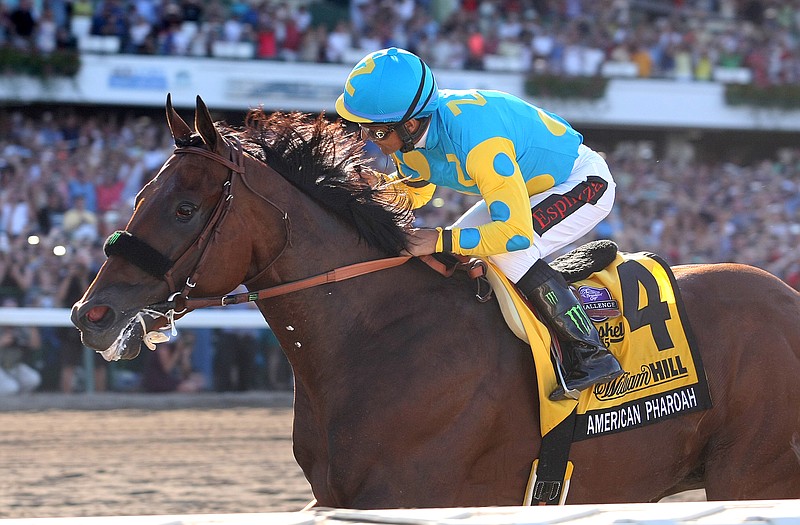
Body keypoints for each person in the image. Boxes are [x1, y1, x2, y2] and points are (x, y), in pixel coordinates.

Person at [335, 47, 623, 400]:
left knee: (507, 254)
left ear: (409, 125)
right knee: (455, 254)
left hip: (580, 182)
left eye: (375, 132)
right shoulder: (409, 142)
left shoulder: (478, 140)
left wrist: (438, 238)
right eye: (362, 128)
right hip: (529, 191)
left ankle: (591, 352)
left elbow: (515, 234)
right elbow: (413, 196)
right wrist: (367, 196)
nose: (366, 139)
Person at [141, 334, 205, 393]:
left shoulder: (175, 349)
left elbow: (186, 372)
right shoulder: (163, 349)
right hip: (157, 380)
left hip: (169, 379)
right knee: (189, 387)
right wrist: (177, 351)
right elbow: (167, 369)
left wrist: (185, 357)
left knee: (198, 381)